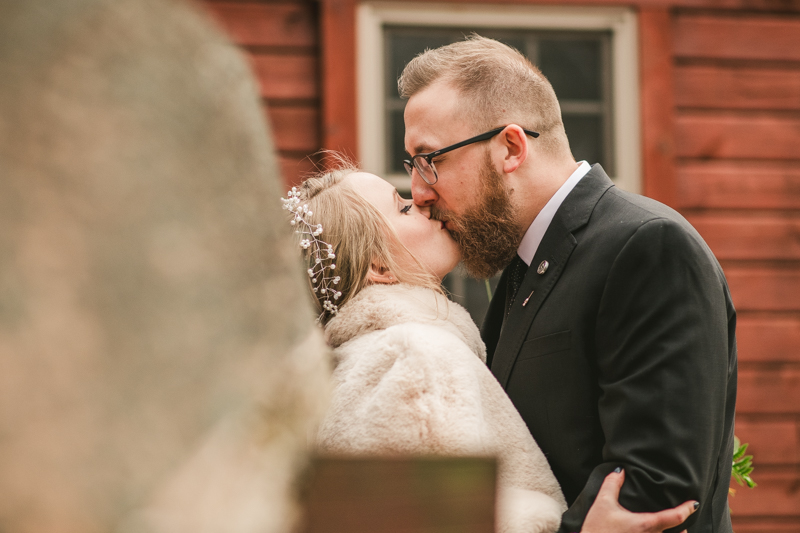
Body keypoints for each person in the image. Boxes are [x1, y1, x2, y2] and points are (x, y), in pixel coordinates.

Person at [399, 36, 736, 533]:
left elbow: (656, 489)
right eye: (412, 165)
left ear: (511, 148)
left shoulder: (646, 246)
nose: (420, 192)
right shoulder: (520, 264)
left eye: (431, 159)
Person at [283, 164, 699, 533]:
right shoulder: (414, 359)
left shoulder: (352, 365)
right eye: (402, 207)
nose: (423, 203)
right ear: (379, 267)